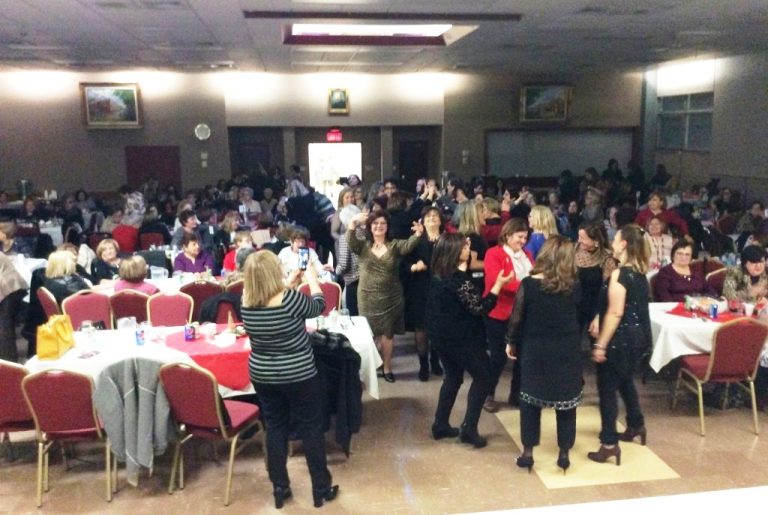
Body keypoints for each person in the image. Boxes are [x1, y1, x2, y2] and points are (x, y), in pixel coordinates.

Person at [240, 251, 338, 509]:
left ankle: (279, 486)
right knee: (311, 427)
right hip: (298, 373)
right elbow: (318, 306)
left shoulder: (246, 301)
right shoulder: (290, 300)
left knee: (275, 427)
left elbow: (273, 304)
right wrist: (312, 278)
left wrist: (290, 284)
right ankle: (321, 488)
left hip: (263, 374)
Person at [427, 233, 513, 448]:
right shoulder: (459, 281)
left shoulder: (438, 275)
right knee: (484, 376)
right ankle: (469, 428)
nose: (469, 250)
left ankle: (440, 424)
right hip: (462, 339)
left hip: (441, 337)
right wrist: (498, 285)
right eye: (465, 247)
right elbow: (480, 308)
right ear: (455, 252)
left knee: (453, 378)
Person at [506, 236, 582, 473]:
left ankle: (528, 453)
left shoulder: (529, 285)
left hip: (535, 349)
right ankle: (564, 454)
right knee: (566, 405)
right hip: (567, 350)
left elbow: (517, 318)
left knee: (530, 402)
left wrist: (511, 341)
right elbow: (580, 317)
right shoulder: (574, 286)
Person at [587, 224, 651, 466]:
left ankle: (609, 443)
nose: (612, 242)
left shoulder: (620, 274)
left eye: (616, 239)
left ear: (623, 244)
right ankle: (636, 423)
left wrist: (601, 344)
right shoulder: (640, 274)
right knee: (625, 381)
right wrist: (598, 316)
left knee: (607, 389)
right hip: (637, 338)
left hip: (620, 339)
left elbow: (615, 312)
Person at [347, 209, 423, 382]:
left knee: (388, 335)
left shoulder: (394, 245)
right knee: (369, 335)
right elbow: (350, 241)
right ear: (370, 226)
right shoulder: (363, 246)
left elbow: (408, 245)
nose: (379, 226)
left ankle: (387, 368)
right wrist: (353, 223)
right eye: (375, 223)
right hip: (367, 298)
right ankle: (372, 367)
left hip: (391, 298)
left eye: (383, 223)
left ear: (388, 226)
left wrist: (418, 233)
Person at [483, 218, 533, 412]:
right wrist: (529, 287)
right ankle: (487, 394)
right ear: (508, 235)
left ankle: (516, 394)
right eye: (520, 237)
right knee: (498, 358)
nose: (523, 241)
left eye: (525, 238)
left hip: (522, 314)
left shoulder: (527, 254)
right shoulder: (493, 254)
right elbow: (499, 282)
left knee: (521, 356)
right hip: (499, 313)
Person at [405, 205, 444, 381]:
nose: (432, 218)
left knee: (438, 326)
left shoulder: (446, 239)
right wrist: (414, 267)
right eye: (428, 216)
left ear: (440, 221)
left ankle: (435, 361)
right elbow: (405, 261)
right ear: (423, 221)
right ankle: (423, 364)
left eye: (435, 216)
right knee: (421, 327)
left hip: (441, 288)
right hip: (420, 288)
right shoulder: (417, 239)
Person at [575, 222, 616, 332]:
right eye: (579, 237)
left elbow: (608, 289)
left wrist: (599, 314)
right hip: (575, 305)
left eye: (583, 238)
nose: (579, 241)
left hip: (596, 306)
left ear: (596, 241)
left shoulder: (607, 259)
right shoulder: (574, 252)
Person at [0, 253, 28, 362]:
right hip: (11, 286)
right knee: (6, 326)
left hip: (8, 287)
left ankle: (8, 363)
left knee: (4, 327)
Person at [334, 205, 361, 317]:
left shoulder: (345, 238)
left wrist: (335, 271)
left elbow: (344, 264)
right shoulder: (366, 234)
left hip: (352, 281)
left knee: (353, 316)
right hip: (366, 279)